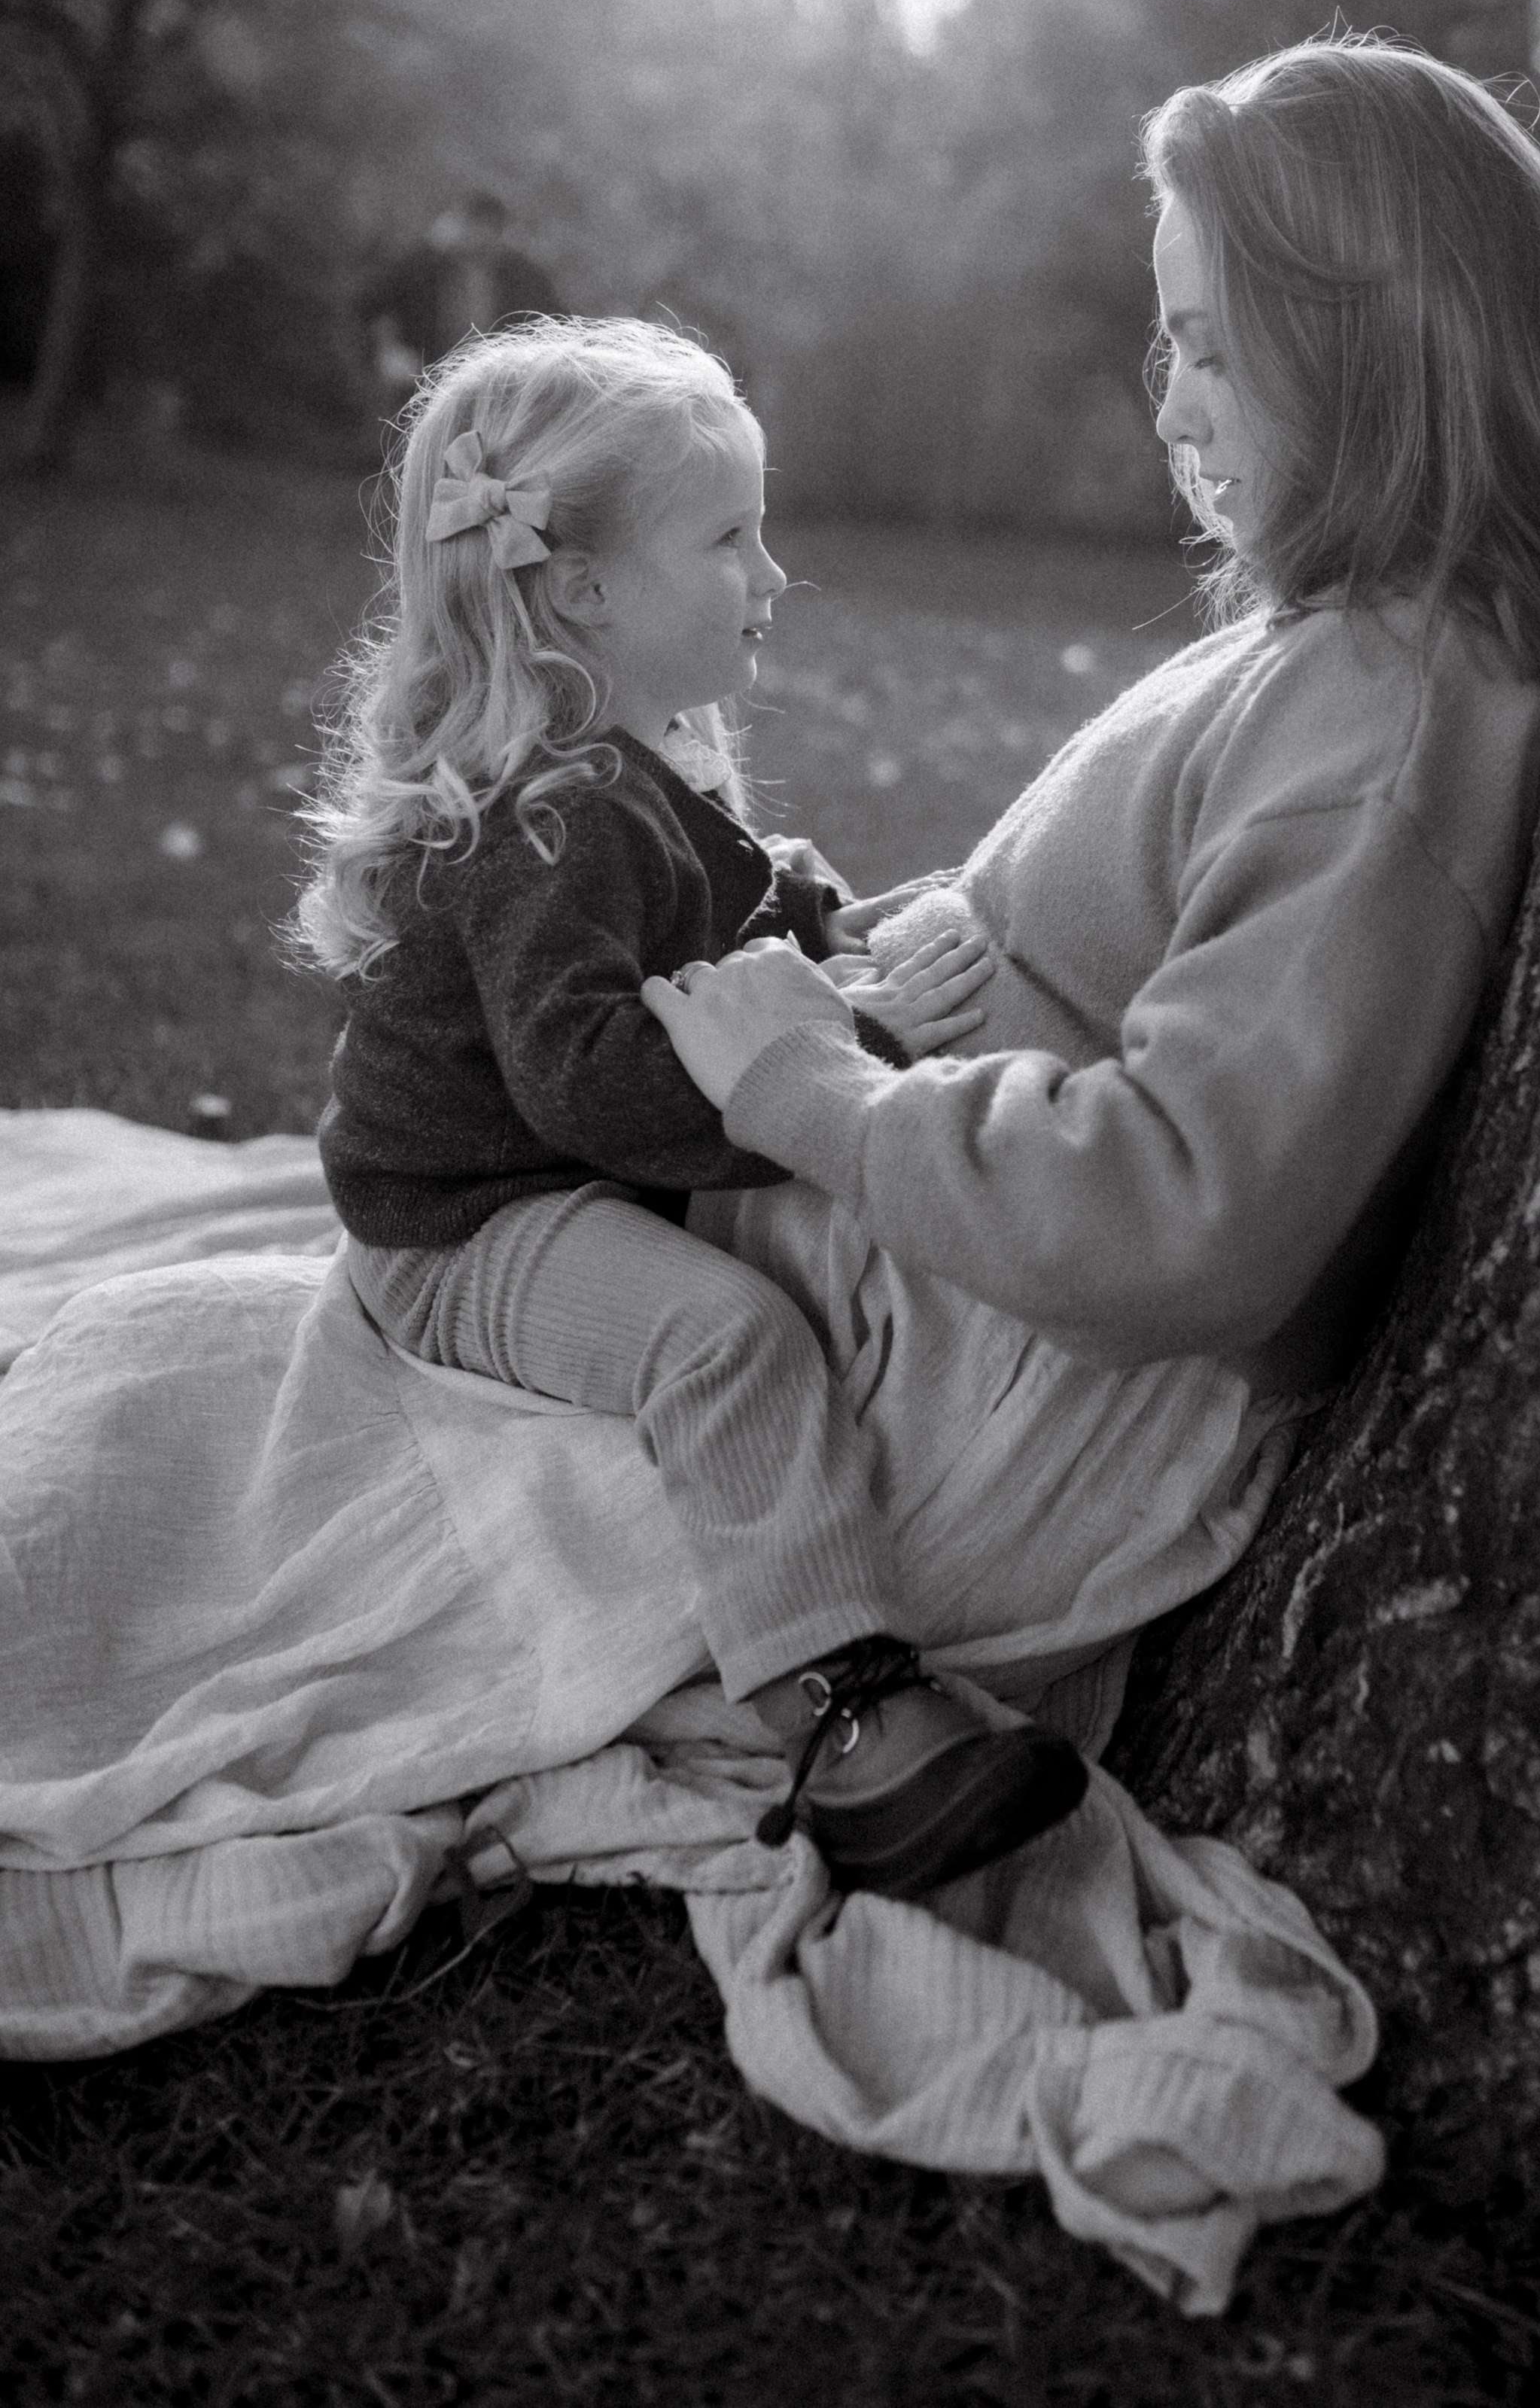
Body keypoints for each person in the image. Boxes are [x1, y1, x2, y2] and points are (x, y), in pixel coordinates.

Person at [645, 37, 1540, 1481]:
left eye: (1219, 348)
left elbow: (1180, 1217)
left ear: (1384, 344)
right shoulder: (1348, 649)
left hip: (949, 1369)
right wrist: (872, 949)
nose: (1172, 409)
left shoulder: (1395, 712)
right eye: (1175, 348)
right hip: (898, 1262)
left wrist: (807, 1085)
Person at [289, 317, 1089, 1898]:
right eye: (730, 539)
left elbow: (727, 921)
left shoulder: (632, 761)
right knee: (722, 1336)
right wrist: (836, 1044)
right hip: (465, 1220)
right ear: (581, 589)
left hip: (550, 1172)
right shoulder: (555, 817)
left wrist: (839, 937)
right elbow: (586, 1078)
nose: (773, 576)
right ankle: (845, 1714)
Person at [359, 191, 562, 419]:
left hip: (495, 392)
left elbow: (555, 323)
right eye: (474, 225)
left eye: (490, 228)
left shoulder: (520, 276)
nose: (481, 236)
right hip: (423, 386)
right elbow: (372, 305)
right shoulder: (425, 266)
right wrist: (388, 350)